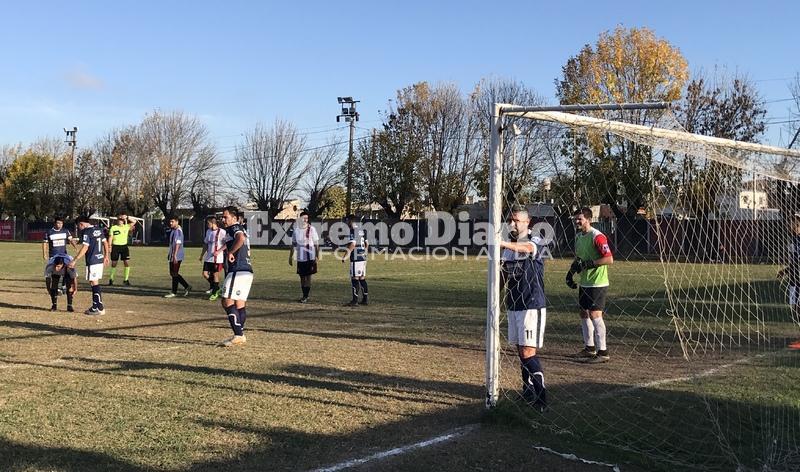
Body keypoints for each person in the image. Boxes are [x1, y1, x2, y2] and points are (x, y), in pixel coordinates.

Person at [500, 206, 548, 411]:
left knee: (528, 351)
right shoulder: (508, 250)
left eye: (516, 220)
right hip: (514, 304)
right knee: (521, 350)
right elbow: (503, 275)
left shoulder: (536, 240)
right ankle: (527, 390)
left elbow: (528, 249)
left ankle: (541, 397)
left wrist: (502, 243)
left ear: (527, 223)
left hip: (531, 304)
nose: (512, 224)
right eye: (510, 221)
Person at [566, 207, 614, 363]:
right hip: (585, 282)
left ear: (589, 219)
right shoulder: (579, 236)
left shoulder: (597, 236)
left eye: (580, 219)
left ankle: (603, 352)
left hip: (597, 283)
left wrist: (590, 263)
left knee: (595, 315)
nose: (577, 221)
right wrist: (570, 272)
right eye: (576, 219)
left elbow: (609, 259)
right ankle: (589, 348)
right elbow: (579, 259)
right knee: (583, 313)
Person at [216, 206, 253, 347]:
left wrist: (231, 252)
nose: (223, 219)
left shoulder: (235, 228)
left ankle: (239, 335)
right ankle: (239, 333)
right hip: (247, 270)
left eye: (225, 217)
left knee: (226, 301)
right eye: (222, 217)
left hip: (238, 269)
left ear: (234, 218)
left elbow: (240, 239)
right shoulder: (240, 229)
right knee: (239, 303)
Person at [69, 216, 109, 315]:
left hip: (93, 260)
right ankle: (98, 306)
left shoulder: (87, 232)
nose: (79, 228)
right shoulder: (98, 229)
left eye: (78, 226)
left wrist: (75, 260)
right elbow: (105, 243)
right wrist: (106, 256)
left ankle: (98, 307)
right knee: (94, 282)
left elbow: (85, 248)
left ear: (81, 224)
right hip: (99, 258)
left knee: (94, 282)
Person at [777, 214, 800, 350]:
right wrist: (785, 271)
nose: (787, 224)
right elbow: (794, 260)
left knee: (799, 306)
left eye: (791, 222)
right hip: (794, 278)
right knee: (795, 307)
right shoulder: (792, 240)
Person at [289, 211, 319, 303]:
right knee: (302, 277)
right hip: (300, 257)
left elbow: (316, 243)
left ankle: (306, 296)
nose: (305, 220)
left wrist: (317, 255)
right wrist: (290, 256)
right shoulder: (296, 230)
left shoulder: (312, 229)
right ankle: (304, 295)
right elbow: (293, 244)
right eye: (304, 218)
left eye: (307, 218)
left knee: (308, 276)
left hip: (310, 257)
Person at [42, 215, 76, 291]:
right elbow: (44, 243)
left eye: (61, 223)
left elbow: (70, 240)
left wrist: (76, 247)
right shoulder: (49, 232)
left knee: (66, 270)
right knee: (55, 272)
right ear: (55, 223)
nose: (59, 225)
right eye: (58, 223)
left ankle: (63, 285)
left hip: (64, 255)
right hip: (53, 256)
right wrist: (44, 254)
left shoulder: (66, 231)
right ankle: (55, 288)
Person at [341, 215, 369, 306]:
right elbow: (366, 243)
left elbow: (353, 244)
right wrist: (364, 252)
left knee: (355, 279)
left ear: (350, 221)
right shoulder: (362, 230)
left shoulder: (352, 231)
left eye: (347, 221)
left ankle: (355, 300)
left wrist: (346, 255)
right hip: (362, 257)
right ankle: (365, 300)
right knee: (362, 278)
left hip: (356, 258)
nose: (346, 223)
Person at [199, 215, 226, 301]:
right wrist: (202, 255)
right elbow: (206, 244)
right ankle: (216, 287)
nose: (207, 225)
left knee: (215, 275)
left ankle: (214, 292)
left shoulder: (222, 232)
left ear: (213, 223)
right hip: (208, 257)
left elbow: (226, 244)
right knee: (205, 274)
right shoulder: (208, 231)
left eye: (208, 223)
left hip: (217, 258)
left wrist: (219, 251)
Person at [165, 215, 191, 298]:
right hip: (172, 254)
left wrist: (175, 255)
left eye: (172, 221)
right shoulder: (173, 230)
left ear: (177, 222)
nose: (171, 223)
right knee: (172, 273)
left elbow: (178, 243)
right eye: (170, 221)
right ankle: (187, 286)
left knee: (174, 273)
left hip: (177, 255)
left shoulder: (178, 231)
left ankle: (174, 291)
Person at [108, 213, 136, 286]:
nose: (120, 221)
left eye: (121, 220)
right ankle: (111, 279)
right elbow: (110, 237)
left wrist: (127, 216)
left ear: (123, 221)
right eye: (119, 219)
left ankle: (126, 280)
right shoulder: (113, 228)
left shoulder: (126, 227)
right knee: (114, 263)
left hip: (124, 247)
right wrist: (109, 246)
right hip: (115, 247)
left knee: (126, 263)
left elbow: (134, 221)